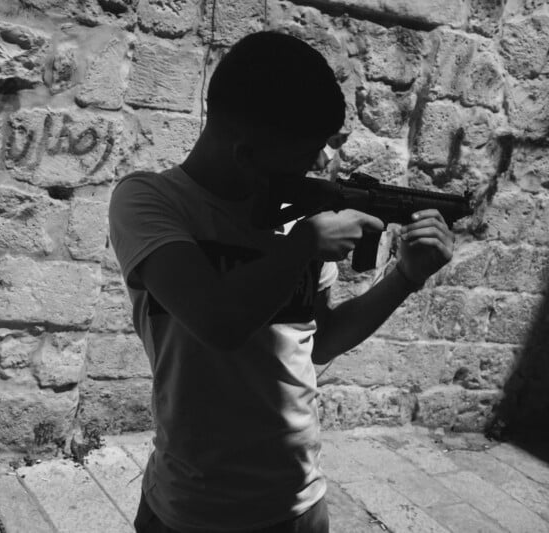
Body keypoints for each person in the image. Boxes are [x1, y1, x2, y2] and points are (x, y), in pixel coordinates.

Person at [108, 32, 455, 533]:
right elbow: (218, 322)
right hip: (190, 508)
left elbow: (322, 340)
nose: (318, 165)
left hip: (298, 504)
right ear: (246, 153)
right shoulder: (150, 201)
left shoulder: (300, 212)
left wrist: (405, 277)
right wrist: (303, 244)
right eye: (307, 151)